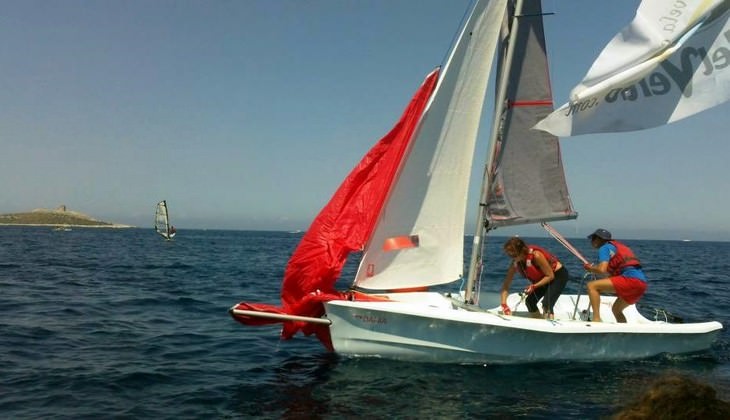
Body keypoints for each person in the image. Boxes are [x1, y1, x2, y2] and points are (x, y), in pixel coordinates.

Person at [583, 228, 647, 323]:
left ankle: (596, 319)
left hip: (631, 280)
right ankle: (623, 333)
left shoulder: (604, 248)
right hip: (641, 285)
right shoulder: (618, 247)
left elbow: (601, 269)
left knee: (591, 286)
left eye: (593, 238)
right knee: (616, 310)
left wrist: (590, 268)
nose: (591, 241)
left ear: (599, 239)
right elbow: (611, 273)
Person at [499, 237, 569, 319]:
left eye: (514, 255)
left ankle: (549, 324)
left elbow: (550, 276)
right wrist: (504, 304)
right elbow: (506, 284)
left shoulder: (536, 255)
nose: (513, 258)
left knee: (547, 304)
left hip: (557, 275)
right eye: (510, 255)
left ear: (522, 251)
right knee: (530, 302)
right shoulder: (515, 263)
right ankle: (538, 321)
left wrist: (534, 286)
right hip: (542, 279)